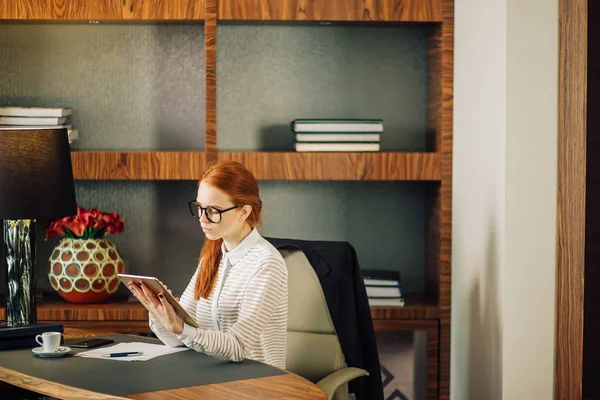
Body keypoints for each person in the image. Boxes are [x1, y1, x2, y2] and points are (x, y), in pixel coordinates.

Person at [128, 160, 288, 369]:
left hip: (256, 384)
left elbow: (238, 346)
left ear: (244, 212)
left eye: (213, 210)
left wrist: (180, 328)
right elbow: (178, 339)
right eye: (200, 208)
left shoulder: (266, 264)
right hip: (212, 377)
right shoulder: (212, 256)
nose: (202, 219)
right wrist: (158, 312)